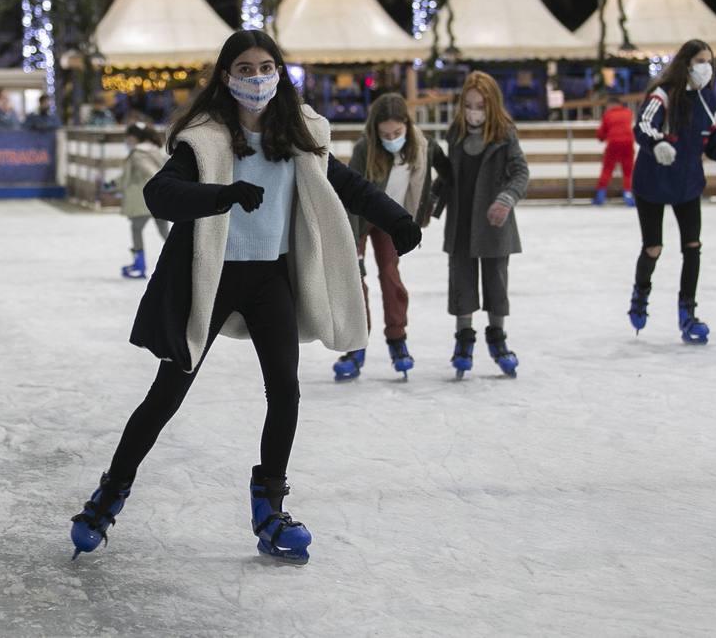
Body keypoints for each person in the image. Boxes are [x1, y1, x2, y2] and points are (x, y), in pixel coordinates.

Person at [68, 29, 421, 566]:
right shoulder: (205, 138)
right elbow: (158, 192)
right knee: (167, 393)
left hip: (270, 280)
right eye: (245, 70)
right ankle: (108, 496)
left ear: (278, 71)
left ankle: (269, 508)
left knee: (285, 391)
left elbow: (348, 184)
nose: (257, 79)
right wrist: (222, 195)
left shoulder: (299, 133)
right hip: (211, 278)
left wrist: (395, 219)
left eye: (265, 67)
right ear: (227, 78)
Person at [627, 39, 716, 345]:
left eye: (709, 61)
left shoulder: (713, 104)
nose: (705, 67)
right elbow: (643, 125)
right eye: (699, 61)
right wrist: (657, 144)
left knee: (692, 246)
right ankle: (641, 293)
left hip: (687, 184)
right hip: (652, 182)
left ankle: (688, 313)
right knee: (653, 247)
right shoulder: (663, 95)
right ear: (685, 63)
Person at [332, 93, 444, 381]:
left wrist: (428, 209)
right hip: (361, 217)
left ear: (407, 124)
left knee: (390, 276)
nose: (392, 138)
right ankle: (356, 347)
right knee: (357, 281)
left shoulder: (420, 147)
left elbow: (446, 176)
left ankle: (398, 339)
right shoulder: (364, 148)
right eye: (385, 134)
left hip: (390, 220)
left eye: (397, 132)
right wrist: (353, 245)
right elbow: (351, 195)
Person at [435, 71, 529, 379]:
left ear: (493, 106)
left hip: (494, 223)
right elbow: (448, 178)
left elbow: (520, 173)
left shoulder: (505, 134)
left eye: (481, 107)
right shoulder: (456, 134)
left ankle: (498, 338)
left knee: (496, 283)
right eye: (469, 106)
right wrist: (428, 208)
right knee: (460, 282)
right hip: (461, 221)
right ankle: (464, 340)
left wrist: (506, 199)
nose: (474, 113)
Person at [117, 122, 170, 279]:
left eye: (127, 137)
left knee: (136, 229)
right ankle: (183, 257)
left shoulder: (138, 153)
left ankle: (139, 264)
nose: (126, 141)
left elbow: (151, 173)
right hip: (159, 198)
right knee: (164, 231)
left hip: (143, 198)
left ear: (133, 137)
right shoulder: (155, 149)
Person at [594, 92, 636, 207]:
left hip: (613, 143)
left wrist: (601, 138)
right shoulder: (628, 113)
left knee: (607, 169)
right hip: (628, 143)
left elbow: (601, 133)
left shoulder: (608, 115)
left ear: (611, 105)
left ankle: (600, 197)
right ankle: (628, 196)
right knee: (628, 171)